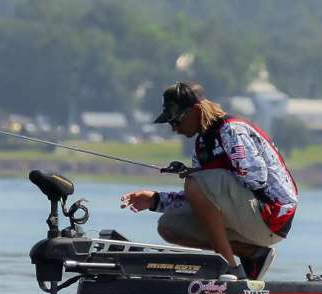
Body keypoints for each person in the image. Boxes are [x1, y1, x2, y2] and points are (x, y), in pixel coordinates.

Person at [120, 82, 298, 279]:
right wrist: (155, 200)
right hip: (247, 215)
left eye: (176, 120)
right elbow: (202, 200)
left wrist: (206, 172)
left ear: (196, 111)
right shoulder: (202, 144)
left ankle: (229, 269)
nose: (174, 128)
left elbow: (257, 179)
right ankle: (253, 254)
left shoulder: (231, 130)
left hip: (272, 215)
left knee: (194, 182)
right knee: (168, 226)